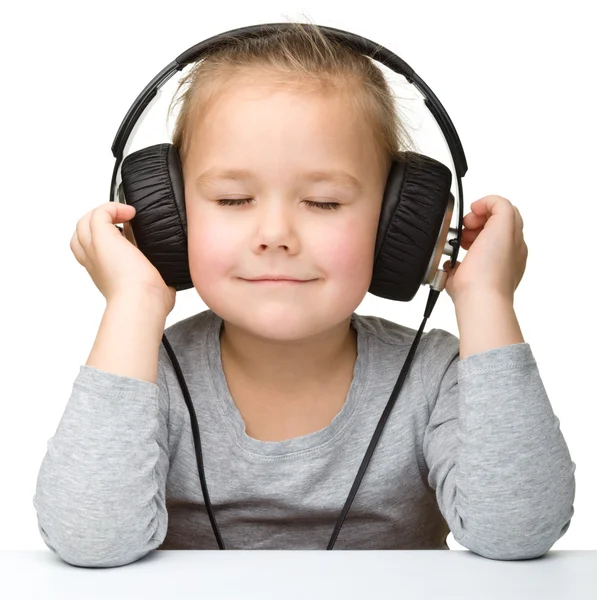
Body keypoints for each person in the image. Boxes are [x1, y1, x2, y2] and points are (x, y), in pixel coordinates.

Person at [33, 20, 576, 567]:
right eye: (231, 199)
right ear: (167, 217)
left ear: (399, 226)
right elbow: (91, 541)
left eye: (323, 203)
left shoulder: (435, 376)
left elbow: (518, 532)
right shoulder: (144, 376)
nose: (275, 235)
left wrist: (485, 297)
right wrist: (132, 303)